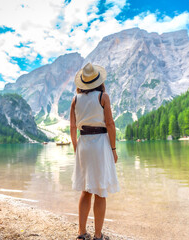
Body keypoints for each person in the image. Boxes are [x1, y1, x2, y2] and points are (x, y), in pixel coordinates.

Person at [70, 63, 120, 240]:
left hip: (83, 144)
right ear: (98, 81)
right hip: (100, 144)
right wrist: (113, 149)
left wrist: (76, 147)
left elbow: (73, 126)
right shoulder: (103, 97)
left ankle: (81, 232)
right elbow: (110, 124)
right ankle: (98, 235)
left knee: (86, 190)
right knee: (100, 190)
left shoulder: (75, 99)